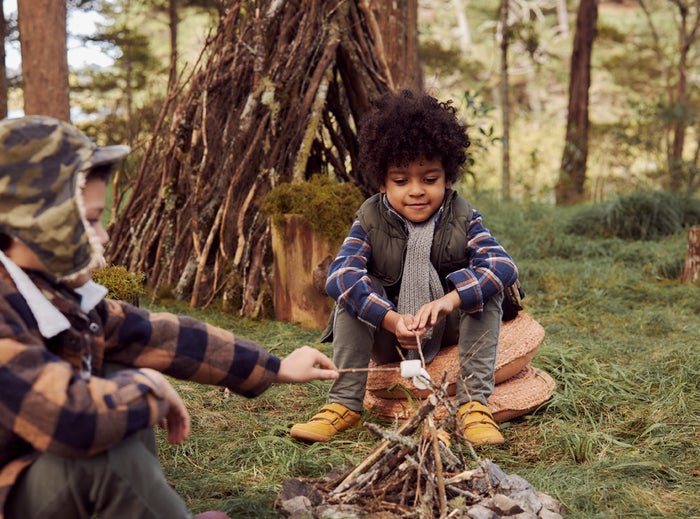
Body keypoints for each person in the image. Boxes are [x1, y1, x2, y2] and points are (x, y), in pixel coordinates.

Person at [0, 115, 339, 519]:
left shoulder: (48, 290)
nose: (104, 236)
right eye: (89, 220)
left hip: (35, 475)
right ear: (33, 223)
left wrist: (275, 367)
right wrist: (148, 388)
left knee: (116, 379)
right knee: (106, 451)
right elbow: (71, 419)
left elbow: (156, 335)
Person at [290, 90, 519, 447]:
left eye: (429, 179)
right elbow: (341, 275)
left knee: (484, 291)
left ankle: (474, 406)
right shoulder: (369, 218)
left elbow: (502, 265)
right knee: (352, 294)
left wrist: (449, 301)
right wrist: (390, 319)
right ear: (382, 183)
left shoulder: (463, 216)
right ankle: (343, 405)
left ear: (447, 178)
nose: (416, 191)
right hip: (389, 333)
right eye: (401, 181)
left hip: (446, 328)